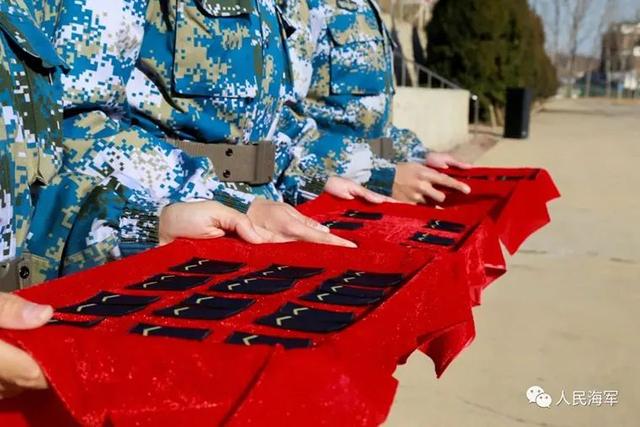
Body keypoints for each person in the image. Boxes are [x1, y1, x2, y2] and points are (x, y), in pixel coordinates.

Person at [281, 0, 474, 204]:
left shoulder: (368, 6)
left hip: (368, 195)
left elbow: (372, 125)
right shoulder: (302, 4)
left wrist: (415, 155)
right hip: (320, 194)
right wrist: (380, 176)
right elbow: (279, 125)